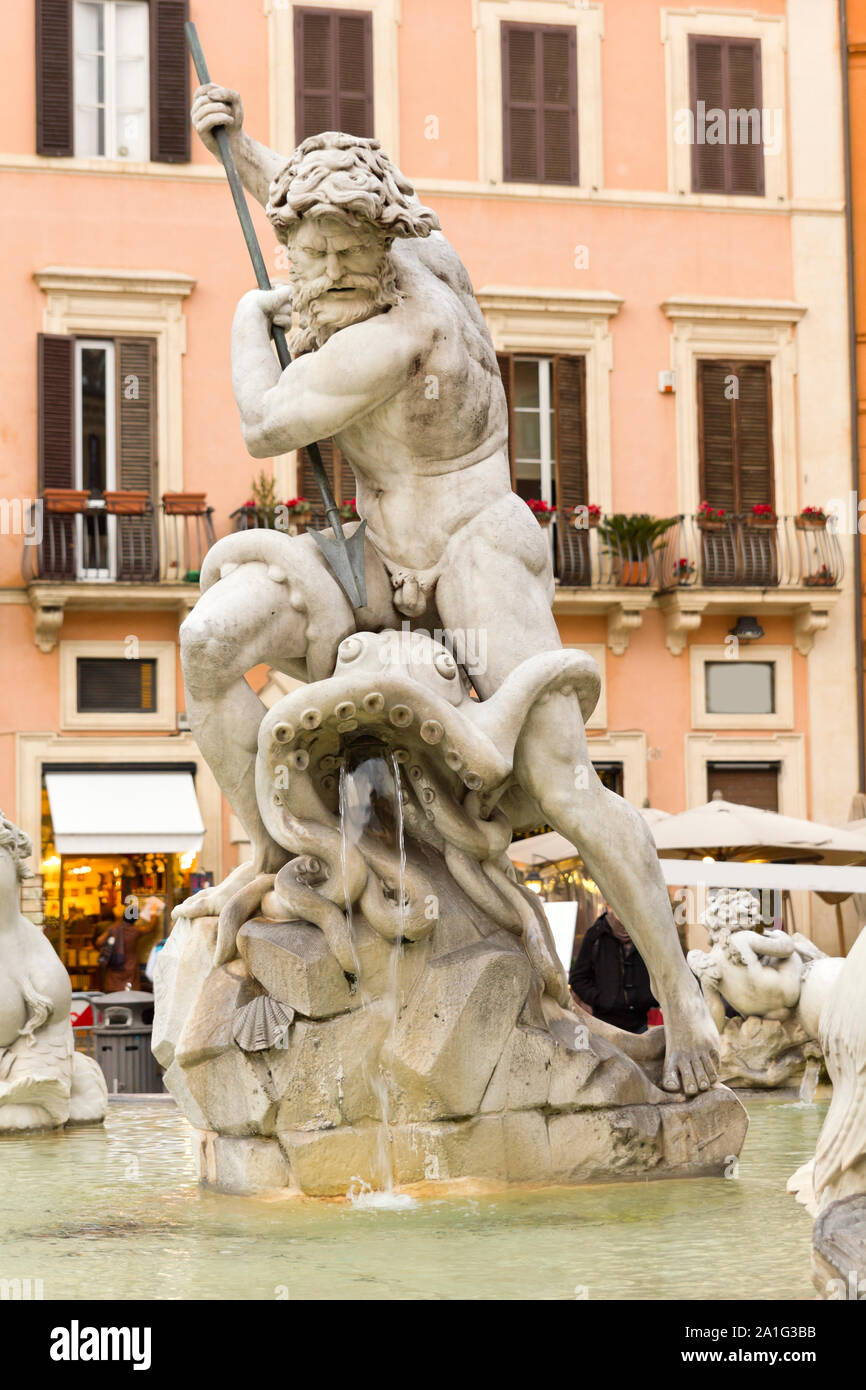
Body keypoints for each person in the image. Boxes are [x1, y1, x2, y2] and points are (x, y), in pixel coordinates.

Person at [176, 86, 720, 1096]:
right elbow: (302, 203)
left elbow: (264, 424)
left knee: (561, 782)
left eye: (345, 259)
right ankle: (275, 848)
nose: (325, 277)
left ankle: (681, 996)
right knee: (210, 641)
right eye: (309, 256)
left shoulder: (401, 331)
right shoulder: (410, 238)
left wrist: (255, 316)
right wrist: (244, 151)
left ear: (384, 247)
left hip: (474, 551)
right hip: (371, 566)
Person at [570, 906, 658, 1034]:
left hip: (639, 1026)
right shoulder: (596, 935)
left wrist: (646, 999)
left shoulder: (645, 937)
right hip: (604, 1026)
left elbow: (662, 976)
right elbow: (578, 978)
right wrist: (602, 1000)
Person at [95, 897, 163, 993]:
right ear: (135, 919)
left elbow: (99, 942)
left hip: (115, 967)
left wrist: (109, 949)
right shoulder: (135, 931)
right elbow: (150, 928)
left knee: (114, 994)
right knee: (130, 994)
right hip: (130, 967)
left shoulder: (113, 928)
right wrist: (153, 912)